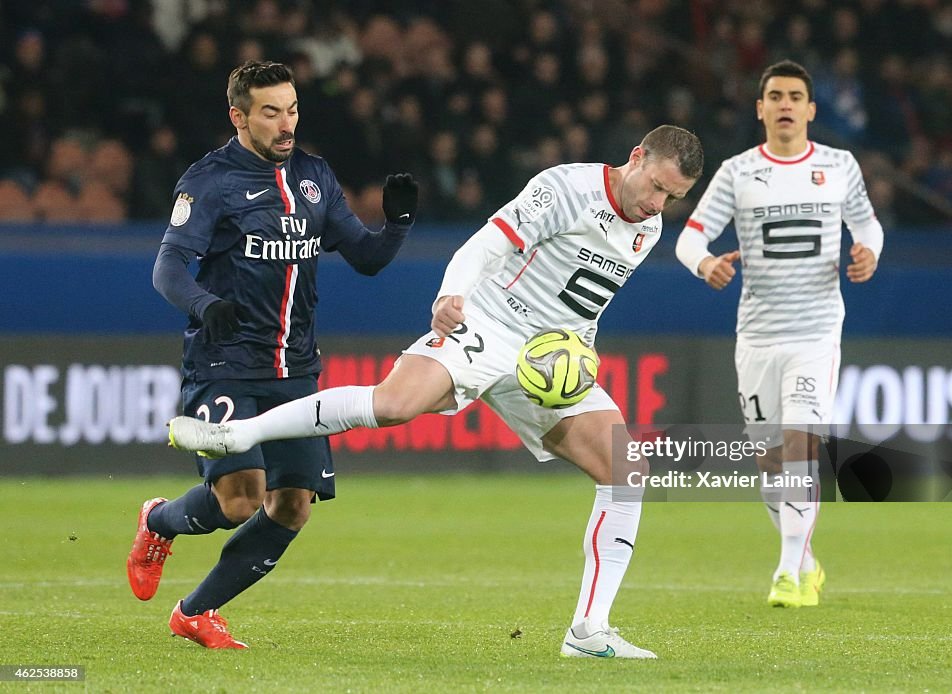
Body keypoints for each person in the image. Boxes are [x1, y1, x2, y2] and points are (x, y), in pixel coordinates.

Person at [167, 124, 704, 658]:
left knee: (627, 470)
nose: (659, 204)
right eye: (656, 187)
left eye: (673, 197)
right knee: (393, 404)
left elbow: (587, 302)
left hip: (545, 359)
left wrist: (582, 353)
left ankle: (588, 631)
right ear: (636, 157)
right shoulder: (566, 189)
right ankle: (238, 434)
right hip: (489, 324)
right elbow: (487, 243)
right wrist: (452, 295)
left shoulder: (647, 229)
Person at [126, 60, 419, 649]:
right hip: (225, 361)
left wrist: (397, 224)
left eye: (292, 110)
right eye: (270, 112)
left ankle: (196, 612)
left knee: (291, 507)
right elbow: (167, 268)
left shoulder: (313, 175)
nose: (286, 124)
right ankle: (158, 521)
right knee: (239, 501)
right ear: (239, 116)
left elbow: (364, 258)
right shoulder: (209, 181)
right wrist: (205, 304)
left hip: (297, 370)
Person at [675, 60, 884, 608]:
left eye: (795, 96)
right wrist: (705, 266)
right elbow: (690, 237)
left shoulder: (838, 166)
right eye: (775, 96)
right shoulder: (738, 172)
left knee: (800, 446)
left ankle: (788, 570)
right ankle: (807, 559)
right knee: (769, 457)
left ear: (811, 110)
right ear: (760, 108)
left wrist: (867, 255)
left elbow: (867, 227)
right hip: (758, 335)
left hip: (816, 331)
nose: (786, 104)